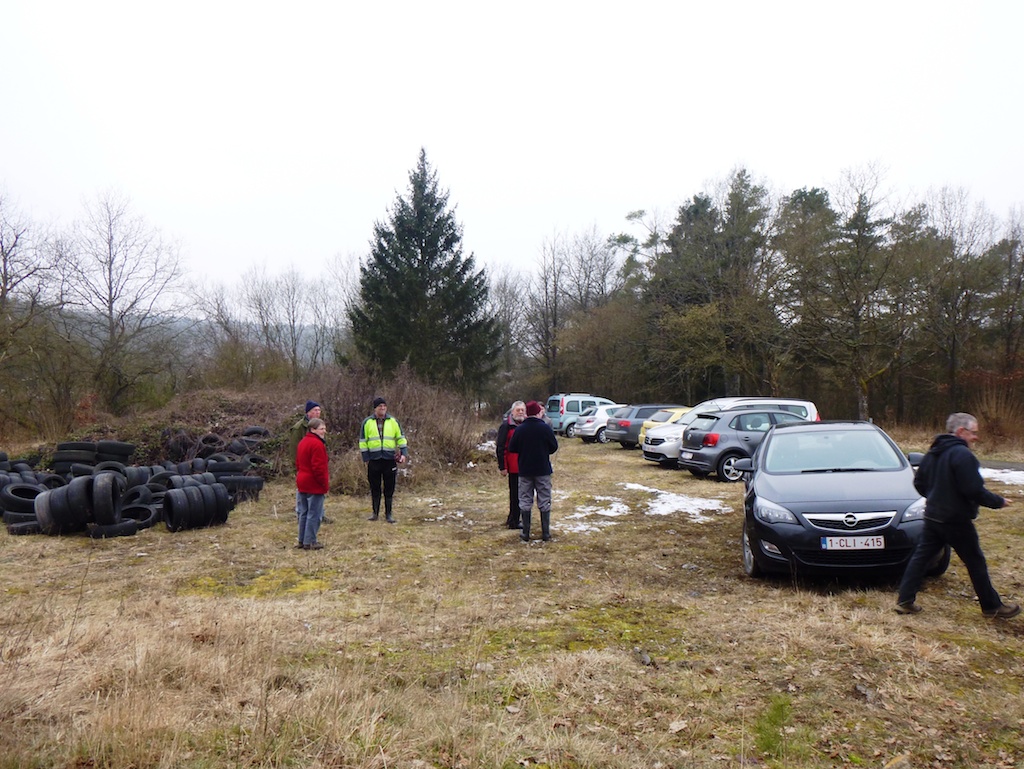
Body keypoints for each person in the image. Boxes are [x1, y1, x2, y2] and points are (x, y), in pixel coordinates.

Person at [896, 412, 1020, 619]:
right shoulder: (963, 455)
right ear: (961, 431)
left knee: (920, 558)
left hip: (933, 516)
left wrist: (934, 498)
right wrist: (998, 501)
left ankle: (904, 600)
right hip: (956, 520)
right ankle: (992, 606)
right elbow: (974, 490)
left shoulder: (933, 452)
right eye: (973, 433)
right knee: (975, 561)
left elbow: (919, 483)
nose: (976, 437)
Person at [507, 400, 558, 542]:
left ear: (527, 413)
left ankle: (526, 533)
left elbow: (512, 447)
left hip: (525, 470)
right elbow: (554, 446)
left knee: (525, 500)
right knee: (544, 500)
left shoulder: (520, 429)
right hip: (542, 469)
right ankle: (546, 533)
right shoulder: (545, 428)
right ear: (538, 413)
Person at [359, 396, 408, 523]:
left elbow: (401, 438)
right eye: (380, 406)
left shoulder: (393, 421)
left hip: (389, 459)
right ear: (375, 408)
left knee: (389, 488)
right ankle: (375, 513)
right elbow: (363, 441)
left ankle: (388, 514)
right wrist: (366, 457)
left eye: (384, 406)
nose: (382, 408)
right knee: (375, 487)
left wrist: (403, 452)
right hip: (374, 460)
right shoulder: (367, 422)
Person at [289, 400, 333, 524]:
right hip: (304, 467)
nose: (318, 412)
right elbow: (294, 449)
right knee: (303, 495)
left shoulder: (320, 427)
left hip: (314, 463)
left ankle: (320, 515)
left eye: (319, 410)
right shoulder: (298, 428)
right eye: (315, 410)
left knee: (316, 493)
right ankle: (301, 516)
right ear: (308, 412)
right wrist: (297, 467)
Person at [295, 417, 329, 550]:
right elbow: (319, 468)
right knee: (314, 513)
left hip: (302, 481)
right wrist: (324, 484)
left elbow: (298, 463)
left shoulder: (303, 442)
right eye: (321, 429)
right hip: (313, 483)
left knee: (303, 512)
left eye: (324, 428)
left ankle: (302, 540)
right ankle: (310, 541)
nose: (324, 431)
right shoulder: (317, 444)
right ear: (313, 429)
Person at [496, 401, 526, 529]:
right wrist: (502, 466)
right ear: (512, 412)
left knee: (521, 494)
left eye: (522, 410)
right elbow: (500, 447)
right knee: (515, 494)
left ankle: (513, 517)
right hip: (513, 466)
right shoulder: (506, 426)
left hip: (524, 465)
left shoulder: (525, 425)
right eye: (518, 410)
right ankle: (514, 521)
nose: (520, 412)